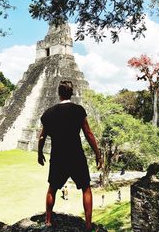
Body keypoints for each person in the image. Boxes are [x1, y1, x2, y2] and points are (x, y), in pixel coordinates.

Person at [37, 80, 103, 231]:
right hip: (76, 155)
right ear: (71, 93)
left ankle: (48, 220)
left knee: (52, 188)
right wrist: (98, 154)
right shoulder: (78, 110)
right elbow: (88, 134)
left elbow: (42, 137)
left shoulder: (49, 113)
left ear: (59, 93)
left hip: (58, 156)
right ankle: (88, 225)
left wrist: (40, 154)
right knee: (86, 188)